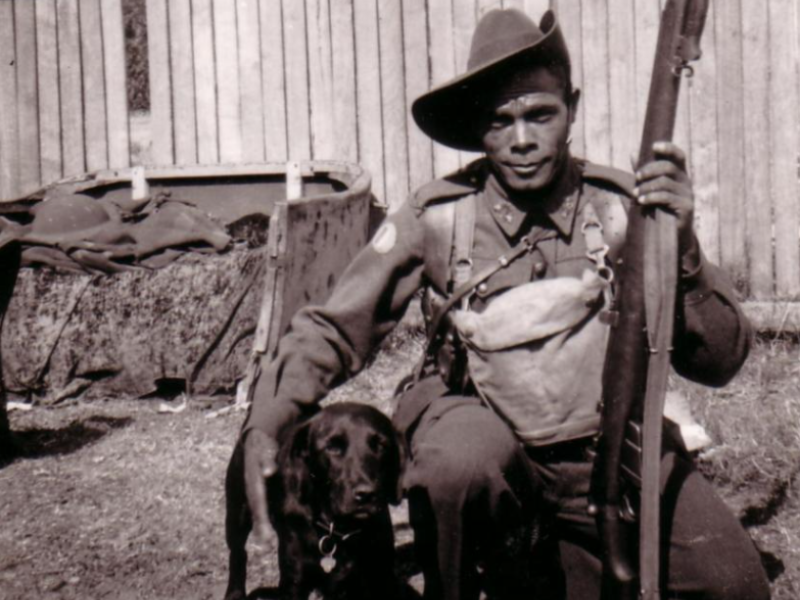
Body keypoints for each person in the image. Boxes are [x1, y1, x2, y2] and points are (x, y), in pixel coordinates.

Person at [238, 9, 770, 600]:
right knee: (458, 463)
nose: (521, 140)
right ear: (478, 129)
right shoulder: (438, 216)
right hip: (492, 448)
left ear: (572, 107)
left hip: (609, 448)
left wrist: (684, 246)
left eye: (540, 114)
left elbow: (720, 361)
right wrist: (268, 423)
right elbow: (333, 330)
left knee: (736, 585)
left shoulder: (623, 208)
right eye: (501, 121)